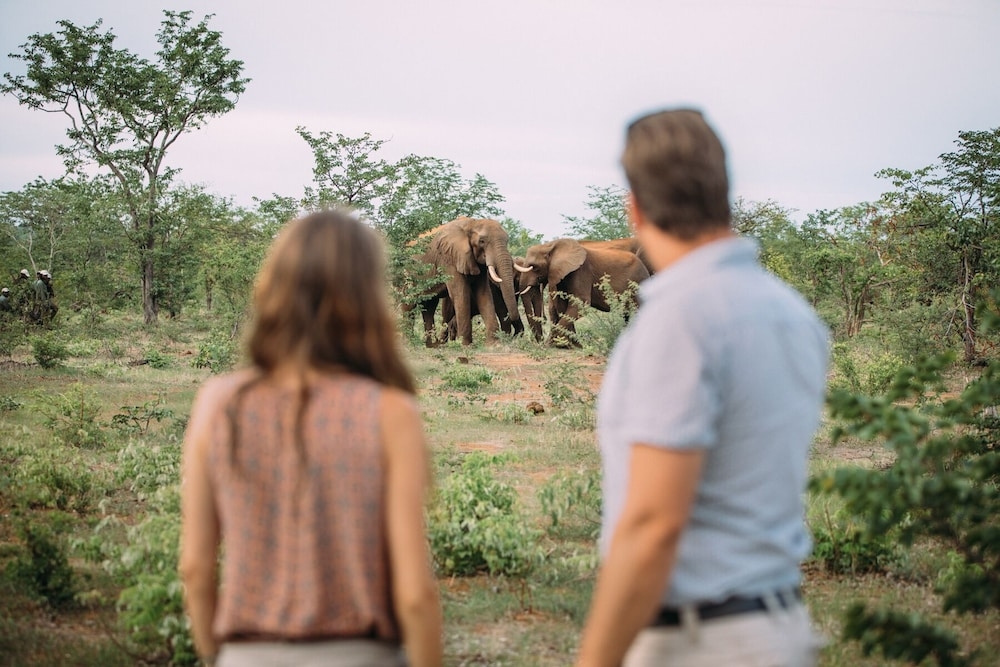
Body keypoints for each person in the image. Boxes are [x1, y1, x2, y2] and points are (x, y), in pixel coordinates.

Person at [574, 109, 830, 667]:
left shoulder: (680, 318)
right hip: (779, 623)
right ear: (723, 193)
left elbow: (654, 525)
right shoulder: (791, 311)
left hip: (699, 638)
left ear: (635, 206)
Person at [179, 209, 443, 667]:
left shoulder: (217, 403)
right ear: (367, 294)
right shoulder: (390, 410)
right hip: (361, 653)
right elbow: (416, 594)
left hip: (246, 654)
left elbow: (196, 568)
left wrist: (218, 656)